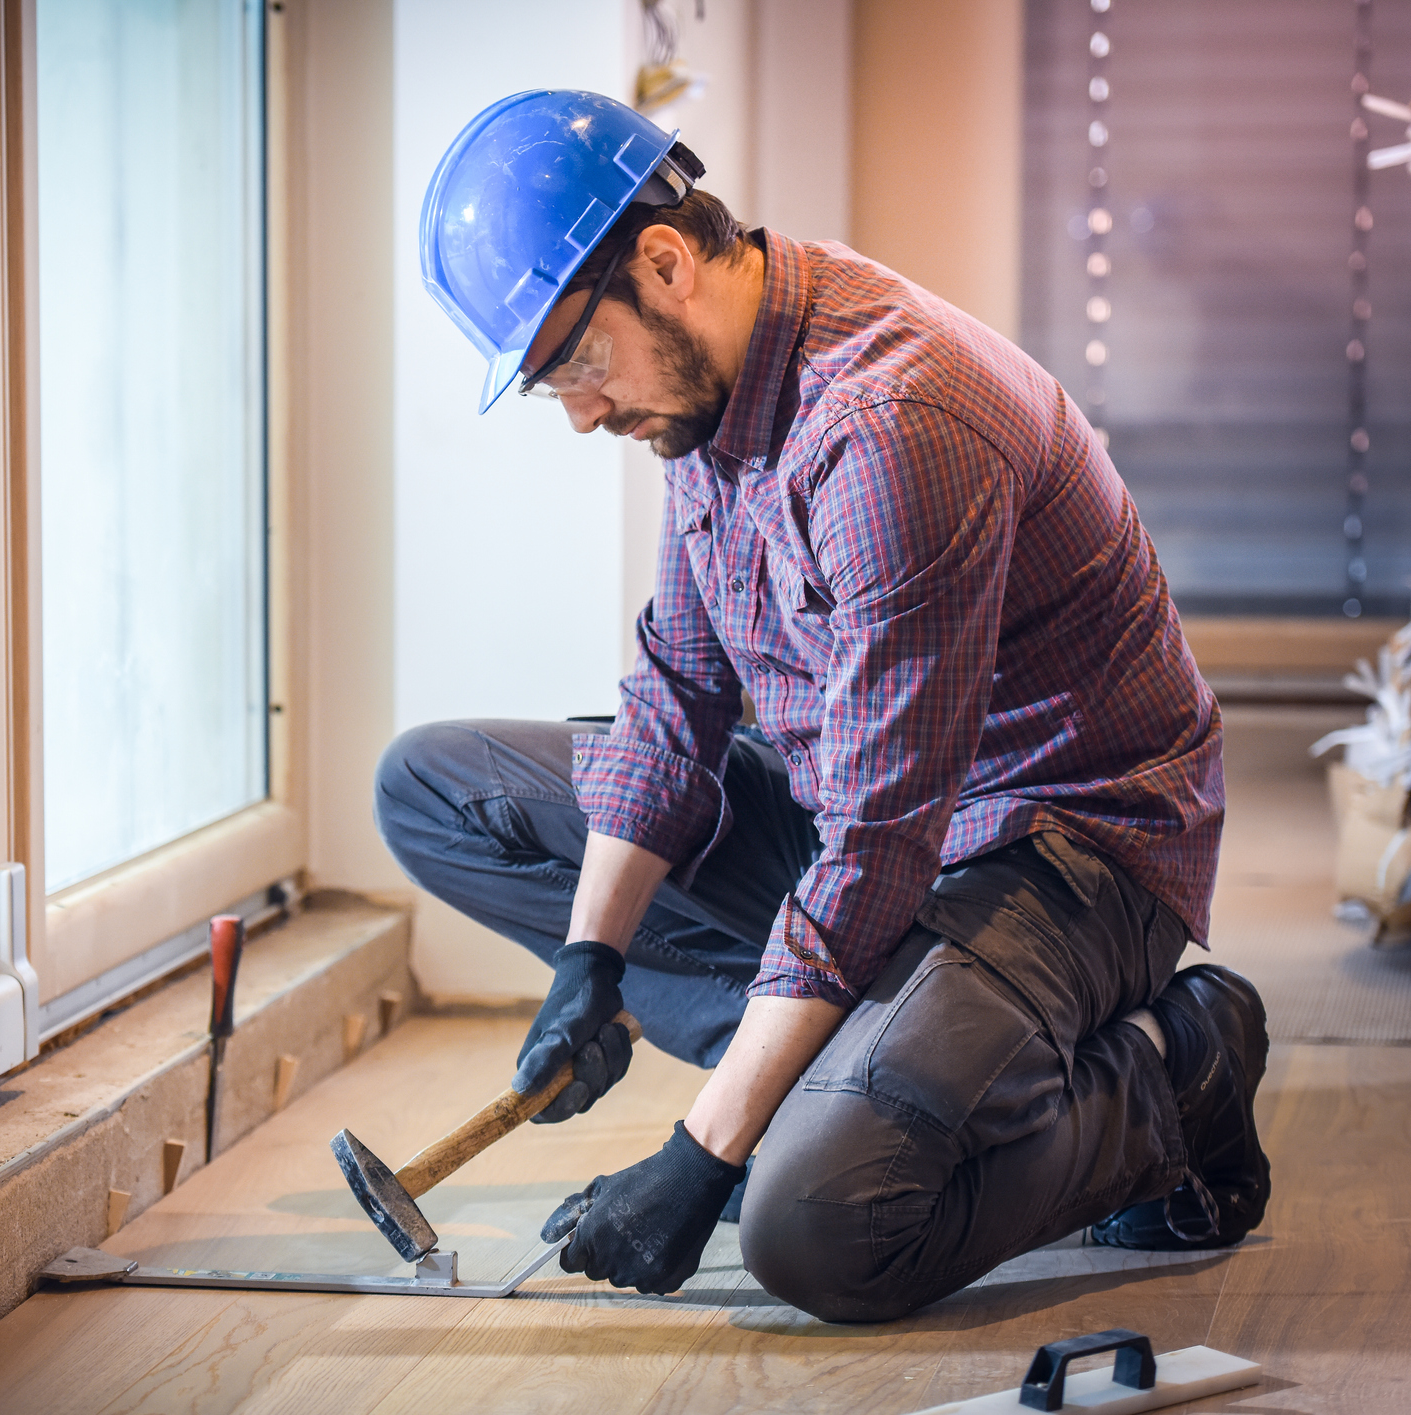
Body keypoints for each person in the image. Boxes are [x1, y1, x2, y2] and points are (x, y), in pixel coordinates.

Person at [375, 90, 1267, 1322]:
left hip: (1060, 844)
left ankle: (1179, 1071)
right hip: (863, 807)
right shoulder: (703, 398)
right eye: (547, 387)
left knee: (816, 1228)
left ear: (665, 261)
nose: (581, 412)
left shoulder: (889, 425)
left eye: (577, 361)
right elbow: (680, 689)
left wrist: (704, 1150)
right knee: (433, 786)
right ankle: (846, 1059)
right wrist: (589, 959)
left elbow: (879, 839)